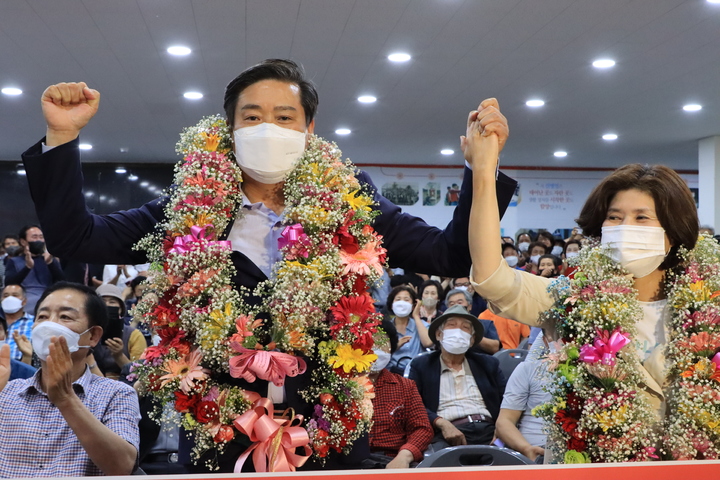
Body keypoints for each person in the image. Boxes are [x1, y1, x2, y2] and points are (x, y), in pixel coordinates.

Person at [21, 61, 517, 471]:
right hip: (218, 428)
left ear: (309, 129)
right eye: (252, 117)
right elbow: (78, 237)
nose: (268, 130)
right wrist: (62, 138)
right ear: (230, 128)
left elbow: (449, 255)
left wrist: (481, 169)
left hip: (330, 426)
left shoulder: (350, 199)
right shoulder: (188, 205)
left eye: (285, 118)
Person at [464, 101, 716, 462]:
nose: (625, 227)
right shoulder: (572, 300)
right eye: (615, 217)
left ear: (674, 231)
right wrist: (484, 172)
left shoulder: (711, 304)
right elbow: (492, 277)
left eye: (642, 218)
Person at [0, 282, 140, 476]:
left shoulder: (116, 394)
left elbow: (122, 466)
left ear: (92, 335)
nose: (50, 324)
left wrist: (66, 399)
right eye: (42, 316)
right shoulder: (6, 392)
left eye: (65, 316)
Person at [408, 305, 506, 450]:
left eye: (465, 327)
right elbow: (413, 404)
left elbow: (508, 400)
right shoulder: (422, 365)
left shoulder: (487, 364)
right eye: (451, 325)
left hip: (490, 430)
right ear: (438, 334)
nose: (458, 331)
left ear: (472, 340)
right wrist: (441, 422)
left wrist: (503, 428)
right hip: (446, 433)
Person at [363, 320, 433, 469]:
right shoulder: (339, 386)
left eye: (382, 344)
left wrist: (405, 455)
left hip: (393, 460)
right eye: (369, 343)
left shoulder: (405, 386)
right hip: (350, 465)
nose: (375, 350)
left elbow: (422, 429)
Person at [495, 334, 551, 462]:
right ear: (544, 340)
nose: (560, 340)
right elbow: (504, 422)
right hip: (531, 449)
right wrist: (526, 449)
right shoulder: (527, 369)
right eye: (553, 335)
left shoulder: (593, 372)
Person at [4, 225, 65, 313]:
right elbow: (9, 284)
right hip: (24, 299)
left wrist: (50, 263)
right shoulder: (14, 261)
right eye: (34, 237)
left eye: (41, 237)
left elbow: (62, 282)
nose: (39, 240)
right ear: (23, 241)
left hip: (49, 298)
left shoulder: (50, 260)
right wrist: (27, 267)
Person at [386, 286, 432, 375]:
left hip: (418, 372)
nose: (402, 303)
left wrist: (416, 315)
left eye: (406, 300)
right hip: (394, 373)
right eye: (398, 299)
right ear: (392, 305)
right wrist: (395, 347)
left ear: (413, 306)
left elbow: (428, 343)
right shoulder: (386, 328)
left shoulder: (421, 324)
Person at [445, 288, 501, 354]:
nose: (456, 306)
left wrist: (472, 336)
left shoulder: (486, 324)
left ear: (469, 306)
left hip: (479, 361)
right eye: (452, 304)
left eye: (460, 302)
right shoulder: (444, 326)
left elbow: (495, 348)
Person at [1, 284, 34, 362]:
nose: (9, 298)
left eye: (15, 295)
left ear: (24, 301)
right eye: (6, 296)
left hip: (22, 366)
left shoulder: (34, 322)